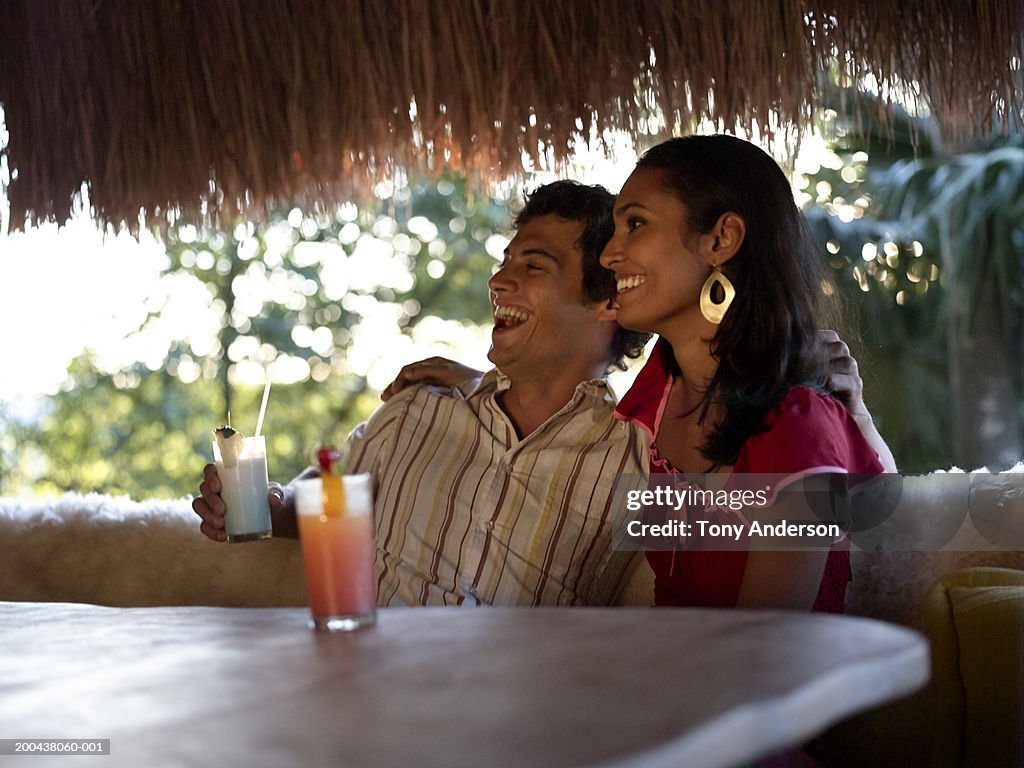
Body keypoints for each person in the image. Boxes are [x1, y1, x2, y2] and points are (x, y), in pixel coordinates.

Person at [194, 181, 653, 606]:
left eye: (532, 266)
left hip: (520, 692)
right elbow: (339, 497)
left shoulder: (639, 458)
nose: (497, 282)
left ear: (608, 302)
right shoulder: (416, 409)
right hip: (378, 682)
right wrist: (268, 507)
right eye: (504, 262)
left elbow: (721, 537)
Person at [600, 134, 886, 611]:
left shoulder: (797, 422)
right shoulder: (661, 393)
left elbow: (764, 649)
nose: (609, 253)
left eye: (635, 223)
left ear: (722, 239)